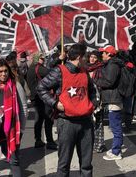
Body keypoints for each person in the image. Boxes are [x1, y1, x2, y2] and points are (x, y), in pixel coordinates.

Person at [38, 43, 97, 177]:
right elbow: (41, 88)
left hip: (86, 122)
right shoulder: (59, 71)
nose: (87, 60)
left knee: (86, 165)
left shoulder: (85, 72)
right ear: (80, 57)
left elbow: (92, 91)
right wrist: (54, 103)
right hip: (67, 122)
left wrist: (92, 104)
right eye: (86, 57)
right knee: (64, 164)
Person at [93, 45, 124, 161]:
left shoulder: (112, 65)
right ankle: (116, 149)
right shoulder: (111, 64)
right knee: (114, 126)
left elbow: (109, 82)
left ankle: (116, 152)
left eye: (104, 53)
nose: (102, 55)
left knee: (116, 127)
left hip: (114, 99)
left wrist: (94, 80)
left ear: (109, 54)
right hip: (112, 98)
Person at [26, 51, 57, 150]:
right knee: (48, 119)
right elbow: (52, 74)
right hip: (43, 96)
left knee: (38, 119)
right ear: (37, 58)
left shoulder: (30, 68)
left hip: (35, 96)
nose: (43, 60)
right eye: (42, 58)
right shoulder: (39, 68)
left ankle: (38, 140)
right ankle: (50, 141)